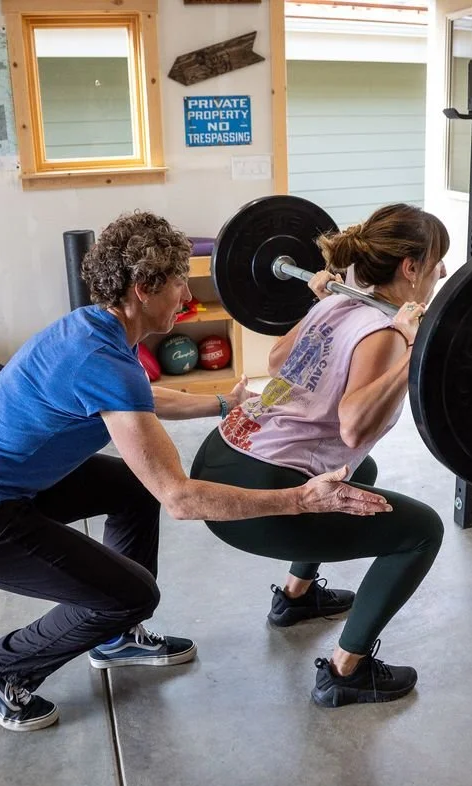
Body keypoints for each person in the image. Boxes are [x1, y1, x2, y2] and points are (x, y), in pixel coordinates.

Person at [0, 211, 390, 733]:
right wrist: (301, 499)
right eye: (180, 283)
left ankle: (114, 637)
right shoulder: (102, 358)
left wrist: (222, 403)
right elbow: (180, 498)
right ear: (143, 288)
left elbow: (132, 400)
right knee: (132, 593)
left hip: (3, 482)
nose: (187, 298)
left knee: (131, 490)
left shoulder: (96, 331)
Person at [189, 203, 449, 708]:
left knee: (359, 470)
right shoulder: (385, 333)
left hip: (222, 455)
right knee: (422, 532)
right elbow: (353, 425)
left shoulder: (337, 302)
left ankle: (296, 597)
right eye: (437, 260)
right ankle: (345, 672)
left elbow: (278, 358)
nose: (441, 271)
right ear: (410, 267)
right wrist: (413, 349)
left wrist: (321, 305)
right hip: (257, 500)